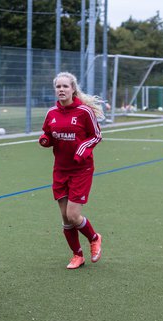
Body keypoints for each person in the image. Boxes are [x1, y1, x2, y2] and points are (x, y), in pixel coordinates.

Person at [39, 72, 104, 269]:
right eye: (58, 87)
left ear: (73, 89)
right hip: (60, 170)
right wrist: (45, 140)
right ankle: (77, 255)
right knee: (66, 218)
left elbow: (96, 136)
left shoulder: (84, 112)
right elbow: (48, 133)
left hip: (81, 169)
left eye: (65, 86)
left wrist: (80, 151)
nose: (61, 90)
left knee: (74, 215)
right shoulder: (51, 113)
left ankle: (94, 238)